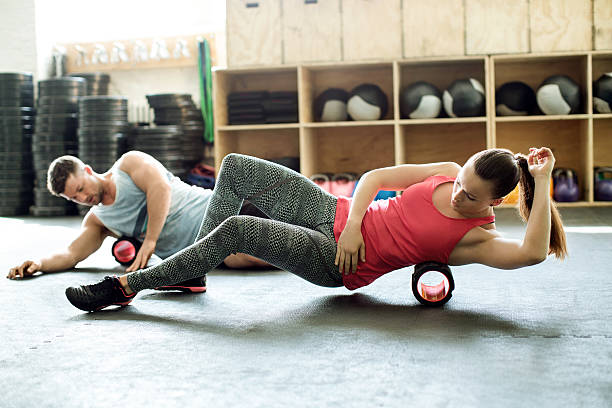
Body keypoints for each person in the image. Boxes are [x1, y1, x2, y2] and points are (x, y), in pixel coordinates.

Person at [64, 147, 567, 312]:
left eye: (470, 195)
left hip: (337, 263)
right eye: (459, 183)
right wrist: (350, 225)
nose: (458, 193)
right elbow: (373, 179)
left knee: (239, 228)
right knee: (237, 167)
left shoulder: (475, 237)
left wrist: (541, 184)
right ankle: (195, 269)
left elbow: (532, 252)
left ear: (494, 201)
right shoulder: (444, 171)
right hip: (335, 214)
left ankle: (123, 286)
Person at [7, 151, 269, 292]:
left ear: (87, 170)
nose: (83, 197)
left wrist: (151, 241)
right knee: (239, 258)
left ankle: (308, 239)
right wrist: (39, 263)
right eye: (73, 197)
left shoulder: (128, 165)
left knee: (274, 230)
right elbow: (71, 253)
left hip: (225, 209)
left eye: (80, 187)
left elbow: (160, 189)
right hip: (215, 248)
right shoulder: (99, 220)